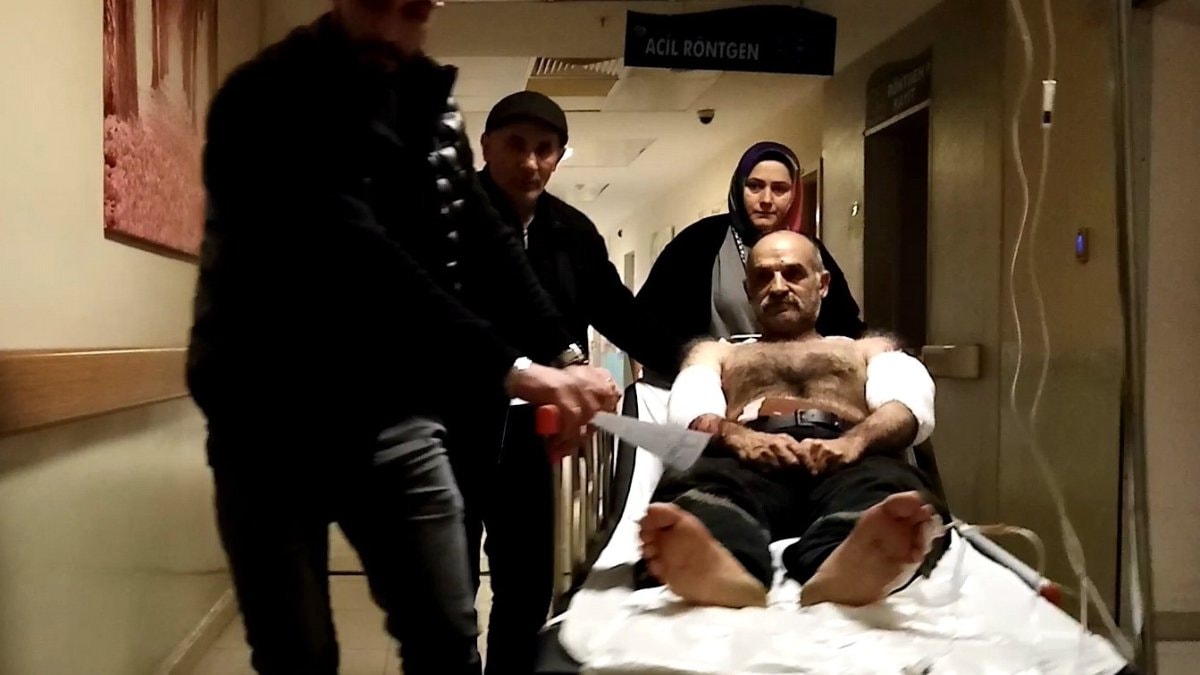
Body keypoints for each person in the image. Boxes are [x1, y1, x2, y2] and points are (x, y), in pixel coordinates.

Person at [186, 2, 618, 674]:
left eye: (413, 9)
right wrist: (516, 369)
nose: (391, 30)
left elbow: (485, 237)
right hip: (265, 420)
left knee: (446, 633)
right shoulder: (265, 96)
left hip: (391, 415)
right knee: (297, 653)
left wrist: (564, 354)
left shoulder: (430, 105)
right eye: (374, 4)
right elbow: (353, 253)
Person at [454, 90, 686, 674]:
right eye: (516, 146)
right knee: (449, 591)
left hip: (537, 437)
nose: (530, 163)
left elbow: (621, 314)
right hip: (455, 427)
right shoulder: (450, 219)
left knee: (526, 586)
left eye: (545, 149)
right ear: (486, 146)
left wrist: (696, 365)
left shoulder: (572, 232)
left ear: (560, 155)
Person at [638, 230, 949, 609]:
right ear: (748, 290)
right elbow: (690, 410)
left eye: (793, 273)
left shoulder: (866, 348)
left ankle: (848, 560)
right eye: (763, 276)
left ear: (823, 284)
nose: (778, 287)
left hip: (851, 455)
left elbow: (908, 406)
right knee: (701, 491)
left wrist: (855, 442)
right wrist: (737, 438)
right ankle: (721, 564)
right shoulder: (718, 353)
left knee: (889, 494)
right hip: (744, 455)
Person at [637, 142, 865, 369]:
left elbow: (847, 327)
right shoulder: (698, 241)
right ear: (739, 187)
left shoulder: (809, 249)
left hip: (795, 380)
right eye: (755, 186)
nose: (766, 200)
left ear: (793, 195)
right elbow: (644, 322)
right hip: (714, 379)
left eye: (779, 189)